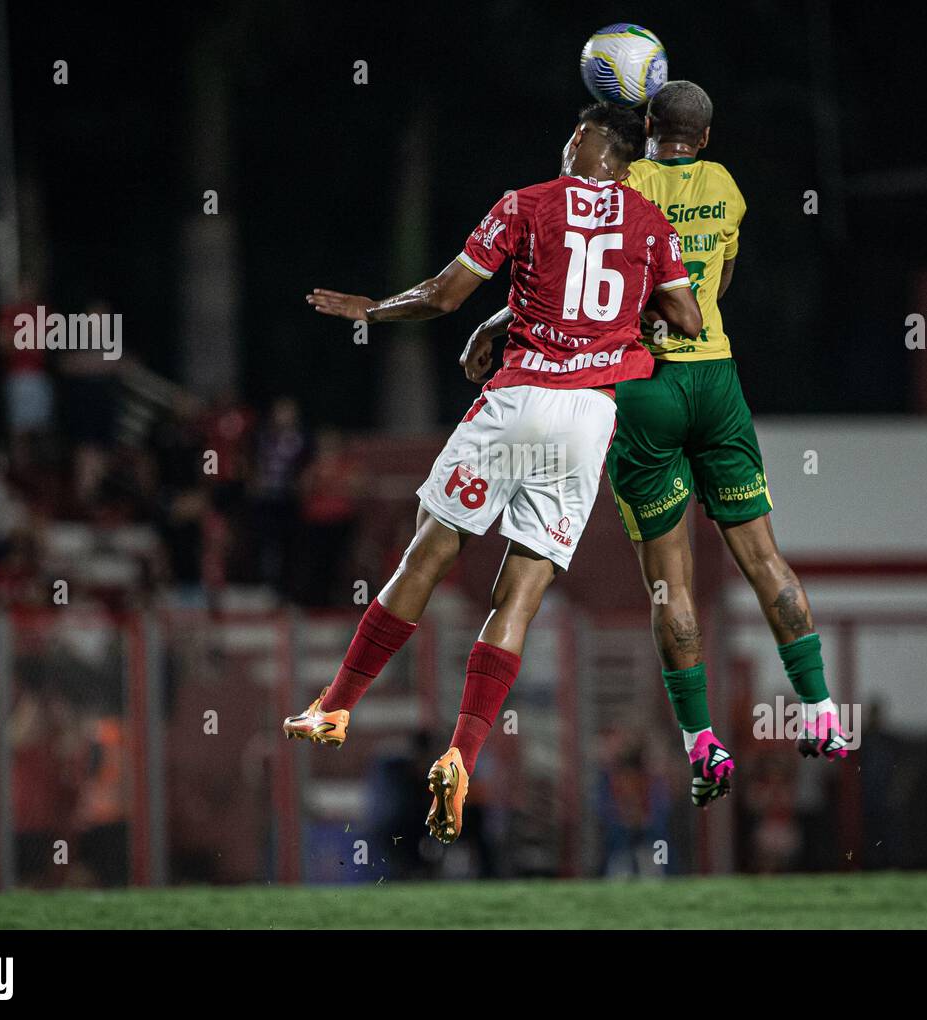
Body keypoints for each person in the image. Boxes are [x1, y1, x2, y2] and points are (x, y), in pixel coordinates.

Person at [284, 103, 701, 844]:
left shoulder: (526, 202)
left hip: (519, 399)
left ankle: (335, 706)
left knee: (430, 550)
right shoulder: (649, 223)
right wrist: (635, 322)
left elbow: (444, 294)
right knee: (521, 596)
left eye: (575, 133)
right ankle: (461, 752)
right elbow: (689, 319)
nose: (565, 140)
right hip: (586, 421)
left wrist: (376, 310)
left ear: (594, 145)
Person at [463, 83, 849, 813]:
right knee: (765, 557)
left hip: (641, 386)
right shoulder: (727, 186)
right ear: (703, 138)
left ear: (644, 131)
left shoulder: (627, 184)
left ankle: (704, 743)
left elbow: (568, 272)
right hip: (715, 379)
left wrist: (495, 325)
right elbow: (716, 286)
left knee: (670, 580)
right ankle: (822, 710)